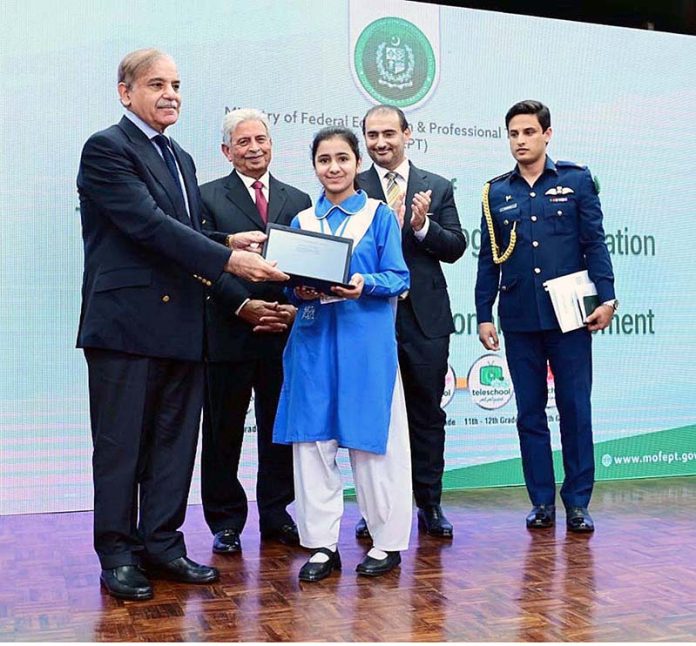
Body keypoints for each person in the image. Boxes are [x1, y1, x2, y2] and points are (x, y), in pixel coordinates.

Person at [76, 48, 287, 601]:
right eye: (156, 84)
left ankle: (163, 545)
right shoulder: (106, 149)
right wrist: (229, 260)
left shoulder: (183, 158)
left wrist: (224, 241)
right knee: (123, 446)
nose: (170, 93)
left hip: (182, 326)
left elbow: (180, 229)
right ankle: (118, 553)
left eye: (176, 84)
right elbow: (146, 226)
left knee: (173, 445)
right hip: (125, 327)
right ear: (127, 93)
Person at [273, 126, 411, 581]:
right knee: (313, 444)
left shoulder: (378, 215)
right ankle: (321, 546)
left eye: (342, 159)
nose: (333, 168)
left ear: (357, 163)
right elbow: (289, 287)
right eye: (324, 160)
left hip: (365, 343)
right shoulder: (301, 222)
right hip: (313, 342)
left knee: (373, 444)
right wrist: (300, 289)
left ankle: (386, 542)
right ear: (314, 166)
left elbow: (399, 278)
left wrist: (363, 284)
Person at [474, 100, 617, 533]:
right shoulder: (496, 192)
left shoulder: (575, 181)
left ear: (547, 134)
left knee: (575, 408)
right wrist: (484, 314)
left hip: (572, 317)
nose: (521, 141)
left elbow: (595, 243)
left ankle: (577, 502)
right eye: (514, 134)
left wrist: (607, 299)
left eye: (529, 132)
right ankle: (541, 502)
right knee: (530, 414)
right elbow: (488, 261)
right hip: (519, 318)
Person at [199, 108, 312, 554]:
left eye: (260, 140)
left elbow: (307, 264)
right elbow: (203, 264)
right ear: (227, 151)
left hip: (282, 333)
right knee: (223, 431)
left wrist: (289, 308)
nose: (254, 149)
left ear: (272, 145)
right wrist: (243, 305)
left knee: (278, 428)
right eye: (243, 142)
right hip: (228, 331)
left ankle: (276, 513)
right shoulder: (205, 197)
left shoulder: (299, 198)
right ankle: (225, 521)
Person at [356, 105, 466, 539]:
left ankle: (430, 504)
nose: (380, 142)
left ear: (408, 134)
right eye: (371, 135)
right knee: (373, 417)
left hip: (424, 320)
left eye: (388, 133)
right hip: (368, 319)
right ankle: (375, 509)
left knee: (425, 414)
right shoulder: (353, 187)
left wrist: (422, 227)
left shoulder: (436, 187)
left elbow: (455, 246)